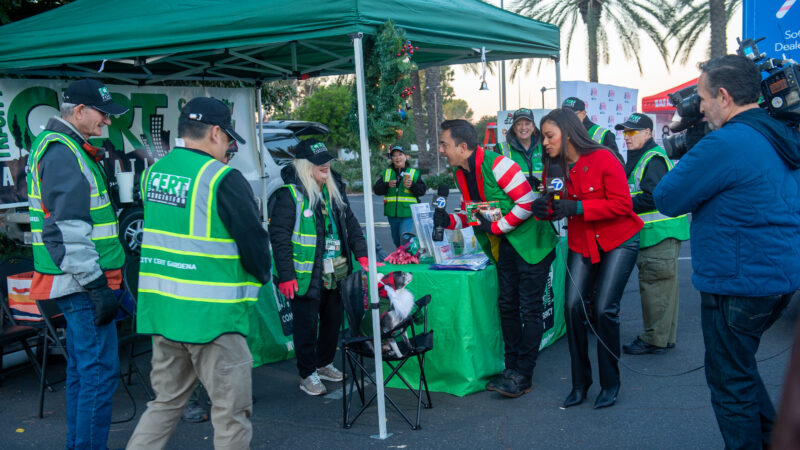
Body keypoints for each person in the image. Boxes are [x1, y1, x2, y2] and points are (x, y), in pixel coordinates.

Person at [654, 54, 800, 449]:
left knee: (729, 383)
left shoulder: (727, 142)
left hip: (737, 283)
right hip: (778, 278)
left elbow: (667, 197)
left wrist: (695, 144)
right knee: (740, 367)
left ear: (722, 96)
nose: (698, 107)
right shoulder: (779, 133)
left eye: (701, 98)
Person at [127, 97, 270, 450]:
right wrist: (262, 276)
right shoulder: (222, 177)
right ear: (216, 133)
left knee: (164, 404)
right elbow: (254, 243)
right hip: (213, 320)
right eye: (229, 141)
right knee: (231, 414)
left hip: (164, 314)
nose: (229, 149)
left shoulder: (153, 173)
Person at [26, 78, 127, 449]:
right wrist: (97, 284)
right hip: (82, 284)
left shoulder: (65, 147)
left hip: (79, 282)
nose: (107, 122)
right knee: (98, 374)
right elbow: (67, 229)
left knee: (85, 373)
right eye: (103, 114)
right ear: (80, 111)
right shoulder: (62, 151)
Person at [434, 119, 558, 398]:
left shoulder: (498, 164)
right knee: (507, 307)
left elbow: (527, 203)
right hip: (504, 248)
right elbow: (476, 213)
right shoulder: (461, 173)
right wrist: (450, 220)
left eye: (444, 144)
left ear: (463, 147)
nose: (442, 149)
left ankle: (523, 375)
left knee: (529, 309)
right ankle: (511, 369)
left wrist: (497, 228)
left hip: (532, 246)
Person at [532, 108, 642, 409]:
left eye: (549, 135)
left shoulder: (603, 158)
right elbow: (557, 206)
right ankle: (580, 384)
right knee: (571, 308)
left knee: (605, 309)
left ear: (567, 133)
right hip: (583, 241)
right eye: (543, 136)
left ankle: (611, 383)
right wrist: (544, 209)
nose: (544, 142)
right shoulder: (553, 168)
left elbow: (622, 205)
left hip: (619, 239)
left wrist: (577, 208)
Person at [269, 138, 370, 396]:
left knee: (333, 321)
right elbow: (279, 238)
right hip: (304, 276)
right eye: (318, 162)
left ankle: (324, 364)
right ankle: (307, 374)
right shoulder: (289, 195)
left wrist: (363, 254)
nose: (325, 165)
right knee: (305, 325)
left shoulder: (334, 191)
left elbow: (352, 224)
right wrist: (286, 275)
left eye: (327, 160)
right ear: (305, 165)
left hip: (335, 271)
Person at [615, 113, 689, 355]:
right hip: (657, 233)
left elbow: (651, 197)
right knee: (663, 288)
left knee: (655, 287)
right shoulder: (641, 156)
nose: (627, 137)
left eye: (632, 132)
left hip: (659, 233)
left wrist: (618, 203)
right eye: (625, 132)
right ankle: (663, 337)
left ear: (648, 132)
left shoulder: (652, 157)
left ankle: (653, 339)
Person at [373, 145, 426, 248]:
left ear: (405, 157)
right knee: (397, 240)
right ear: (391, 159)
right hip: (392, 214)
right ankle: (405, 257)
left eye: (400, 155)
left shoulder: (413, 173)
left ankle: (409, 257)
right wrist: (386, 185)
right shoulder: (387, 173)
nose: (398, 158)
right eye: (394, 156)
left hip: (407, 213)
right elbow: (376, 190)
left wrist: (412, 185)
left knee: (404, 238)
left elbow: (422, 190)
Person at [494, 108, 544, 188]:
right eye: (519, 124)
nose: (523, 127)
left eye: (527, 123)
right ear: (514, 127)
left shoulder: (545, 147)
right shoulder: (501, 149)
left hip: (542, 200)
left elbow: (554, 178)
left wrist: (547, 187)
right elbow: (496, 181)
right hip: (515, 200)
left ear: (533, 126)